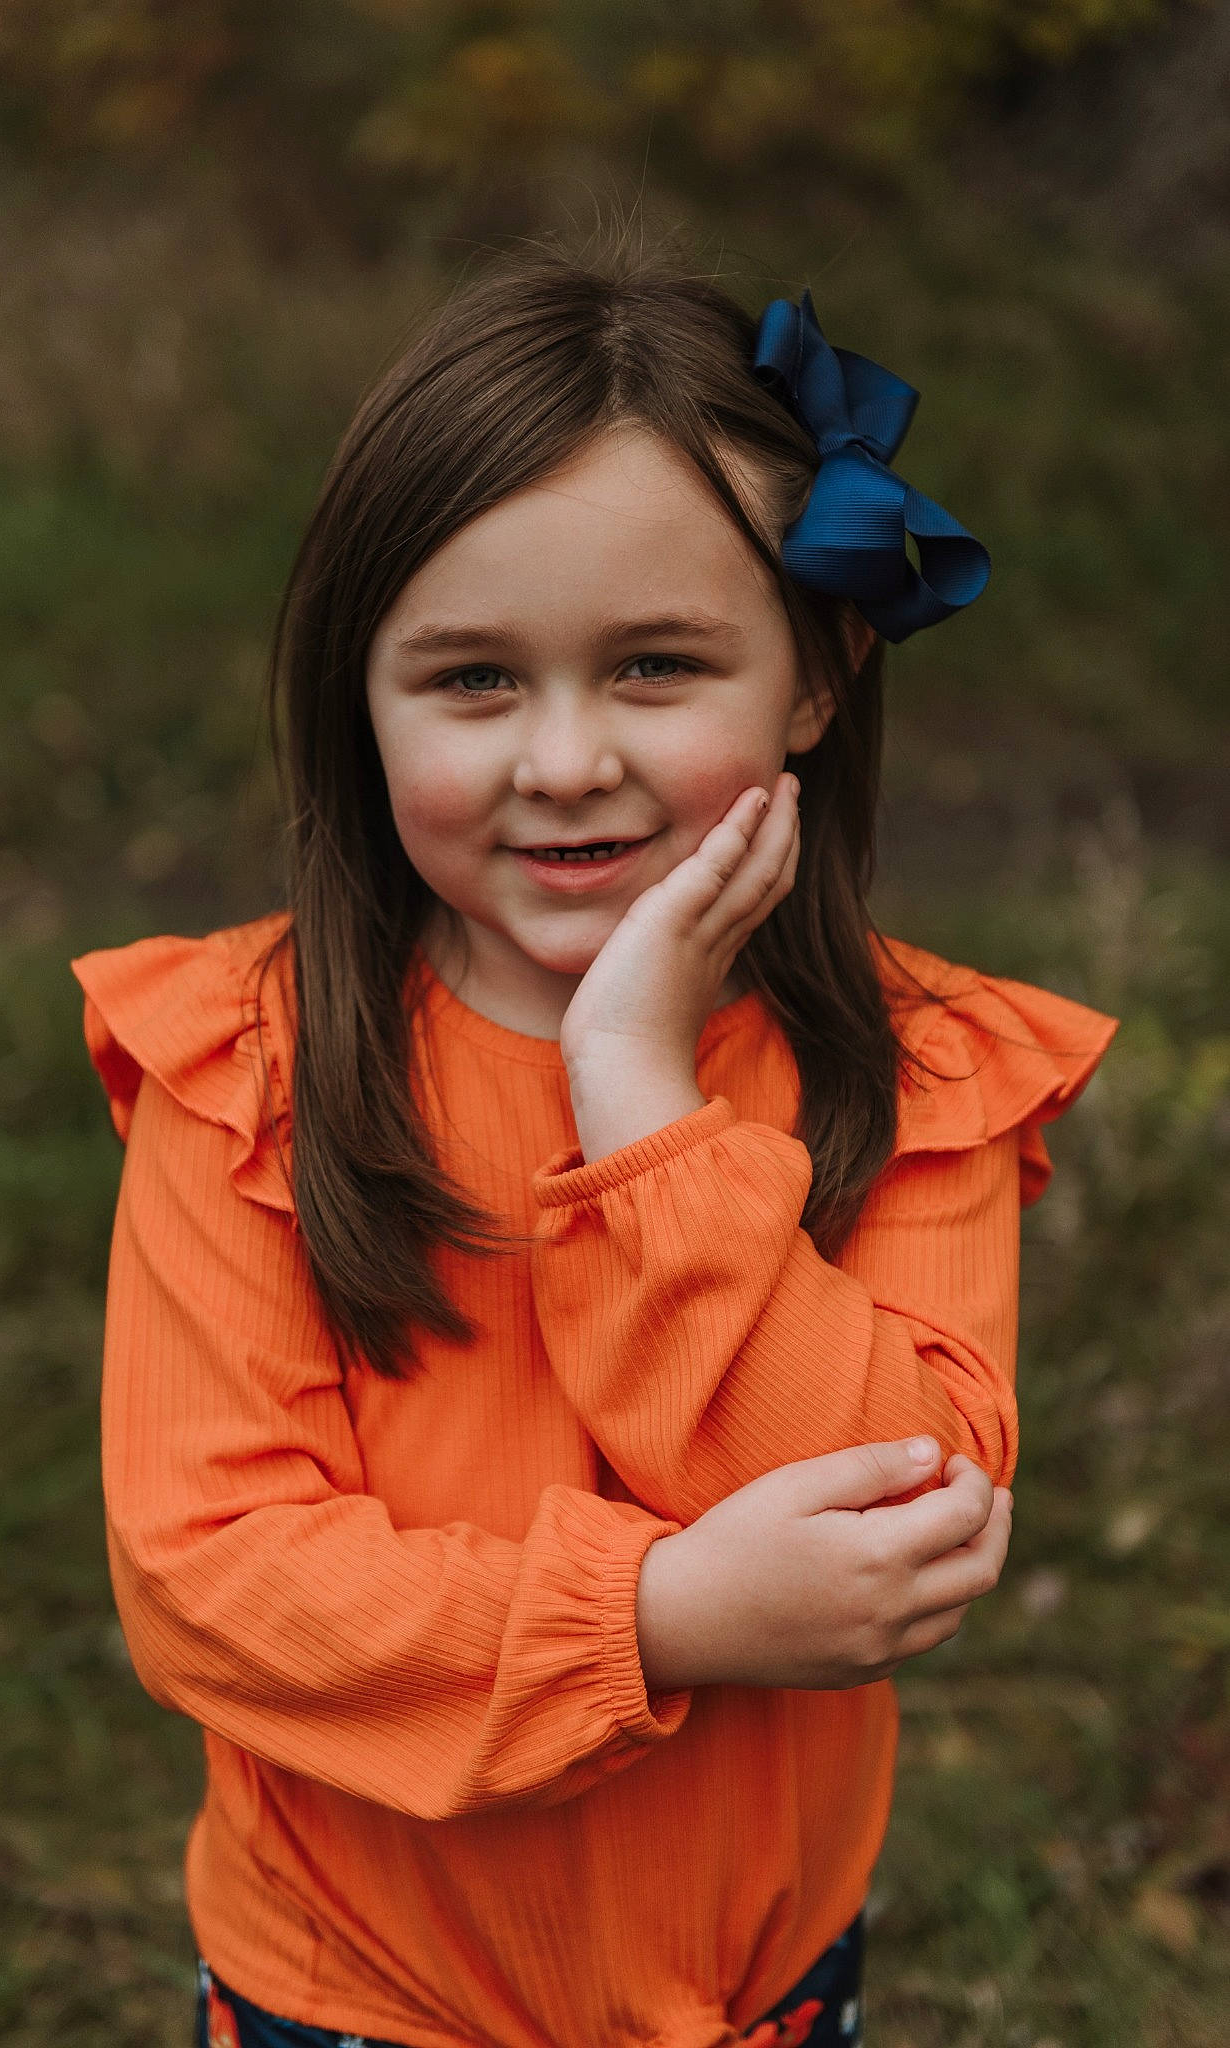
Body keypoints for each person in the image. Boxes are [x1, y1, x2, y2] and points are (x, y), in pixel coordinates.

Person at [71, 244, 1119, 2048]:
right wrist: (664, 1612)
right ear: (362, 697)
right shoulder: (247, 1066)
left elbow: (910, 1506)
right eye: (472, 680)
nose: (565, 761)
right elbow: (213, 1581)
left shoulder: (922, 1070)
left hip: (758, 1990)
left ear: (817, 672)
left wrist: (642, 1097)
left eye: (654, 666)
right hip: (359, 1993)